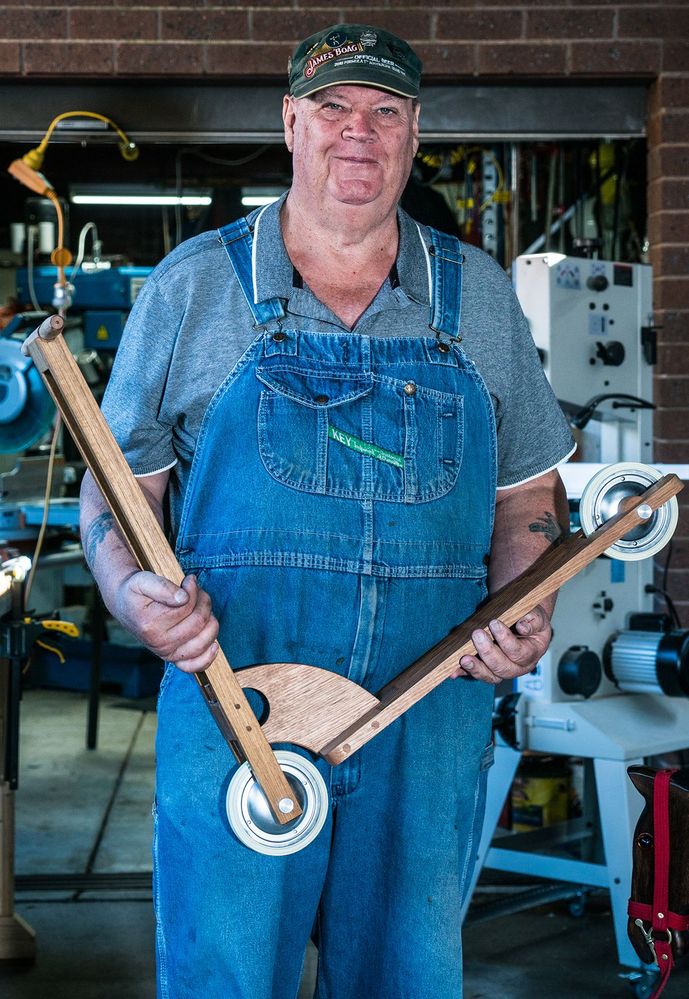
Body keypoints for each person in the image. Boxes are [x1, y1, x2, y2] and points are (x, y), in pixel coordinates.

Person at [80, 23, 574, 999]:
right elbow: (118, 488)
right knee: (226, 975)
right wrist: (134, 595)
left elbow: (527, 498)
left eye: (383, 112)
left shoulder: (472, 296)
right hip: (238, 708)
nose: (360, 133)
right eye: (335, 110)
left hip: (422, 714)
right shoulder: (193, 289)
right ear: (292, 124)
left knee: (406, 975)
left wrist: (526, 606)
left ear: (413, 132)